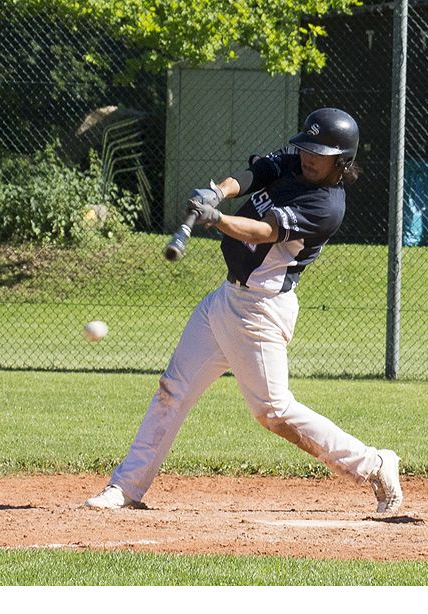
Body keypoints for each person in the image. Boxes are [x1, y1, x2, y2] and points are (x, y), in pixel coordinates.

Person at [85, 108, 403, 513]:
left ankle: (375, 464)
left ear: (341, 161)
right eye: (306, 147)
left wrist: (217, 218)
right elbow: (255, 175)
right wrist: (219, 192)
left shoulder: (326, 206)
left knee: (274, 412)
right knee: (172, 390)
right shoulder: (295, 163)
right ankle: (126, 488)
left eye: (319, 153)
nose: (308, 156)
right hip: (226, 300)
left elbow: (265, 232)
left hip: (261, 310)